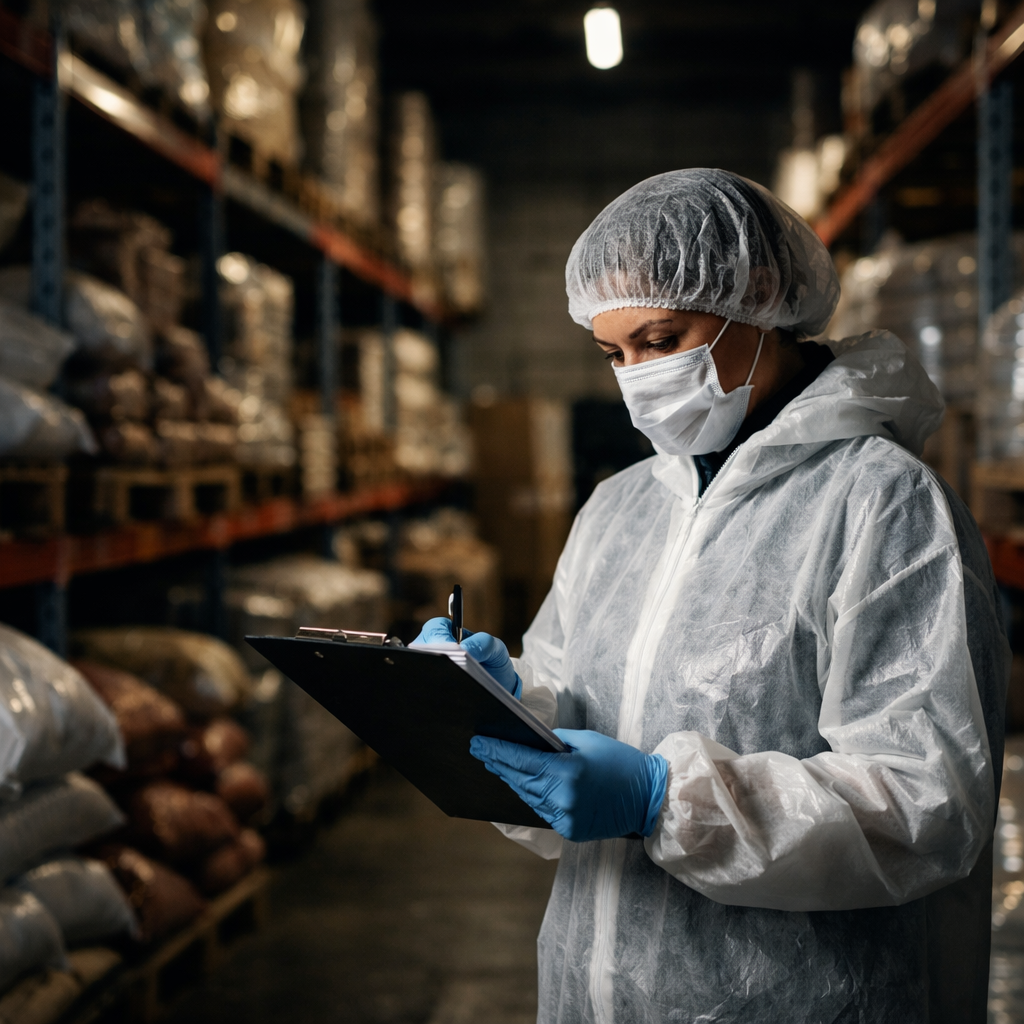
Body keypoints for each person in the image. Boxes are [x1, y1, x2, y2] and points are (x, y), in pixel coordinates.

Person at [414, 168, 1010, 1024]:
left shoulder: (883, 505)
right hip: (598, 991)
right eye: (615, 354)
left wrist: (668, 800)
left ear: (761, 295)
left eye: (662, 339)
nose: (638, 378)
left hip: (804, 998)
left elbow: (928, 804)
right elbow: (579, 711)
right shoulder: (621, 507)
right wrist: (504, 706)